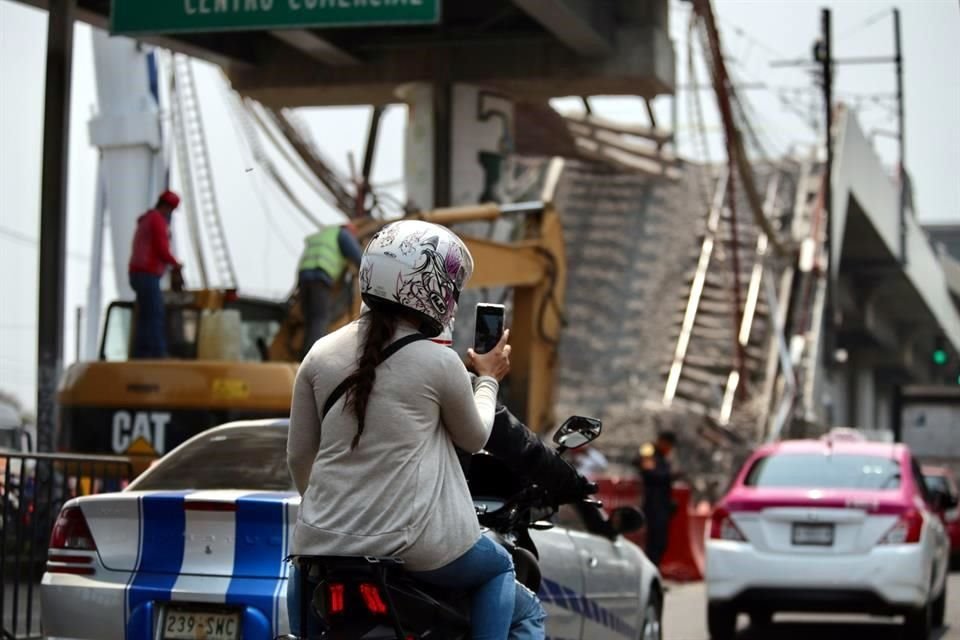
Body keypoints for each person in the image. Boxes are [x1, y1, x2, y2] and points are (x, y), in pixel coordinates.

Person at [286, 219, 545, 639]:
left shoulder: (319, 353)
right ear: (440, 290)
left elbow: (299, 457)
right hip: (418, 549)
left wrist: (337, 518)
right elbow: (476, 436)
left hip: (322, 542)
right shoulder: (438, 362)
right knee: (500, 568)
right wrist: (489, 377)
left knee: (305, 580)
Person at [128, 189, 183, 359]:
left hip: (137, 274)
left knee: (145, 315)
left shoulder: (146, 219)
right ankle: (156, 353)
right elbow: (162, 250)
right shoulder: (157, 221)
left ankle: (141, 353)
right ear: (167, 208)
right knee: (155, 314)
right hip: (147, 275)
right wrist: (176, 264)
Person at [296, 222, 363, 357]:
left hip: (304, 278)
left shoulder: (324, 234)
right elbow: (358, 257)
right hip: (320, 276)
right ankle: (312, 356)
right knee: (320, 318)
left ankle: (302, 356)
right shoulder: (343, 235)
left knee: (309, 319)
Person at [635, 430, 679, 567]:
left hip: (662, 503)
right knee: (653, 541)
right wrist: (669, 476)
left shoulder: (662, 457)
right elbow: (650, 473)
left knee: (660, 542)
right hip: (652, 503)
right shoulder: (648, 451)